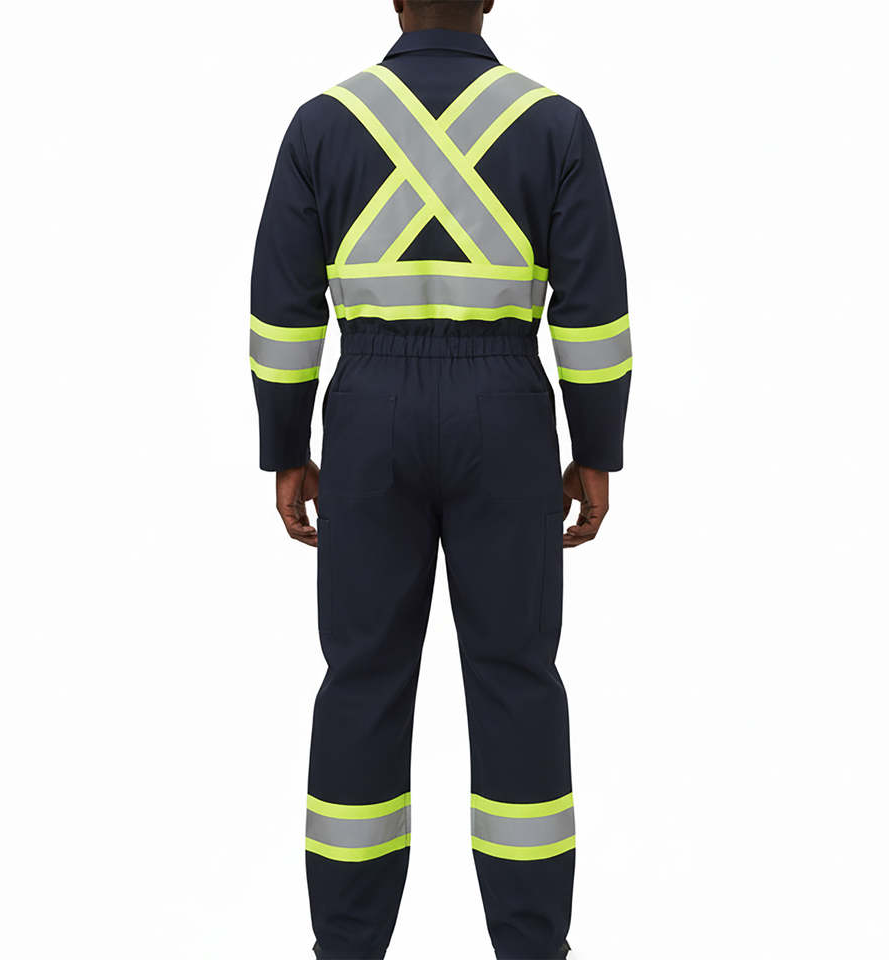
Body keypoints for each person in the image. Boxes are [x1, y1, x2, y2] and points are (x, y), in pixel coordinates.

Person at [249, 1, 631, 956]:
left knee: (363, 679)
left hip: (368, 414)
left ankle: (346, 944)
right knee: (517, 680)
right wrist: (595, 446)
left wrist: (286, 445)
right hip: (506, 416)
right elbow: (592, 312)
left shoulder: (323, 124)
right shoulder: (553, 125)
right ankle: (533, 945)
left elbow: (283, 311)